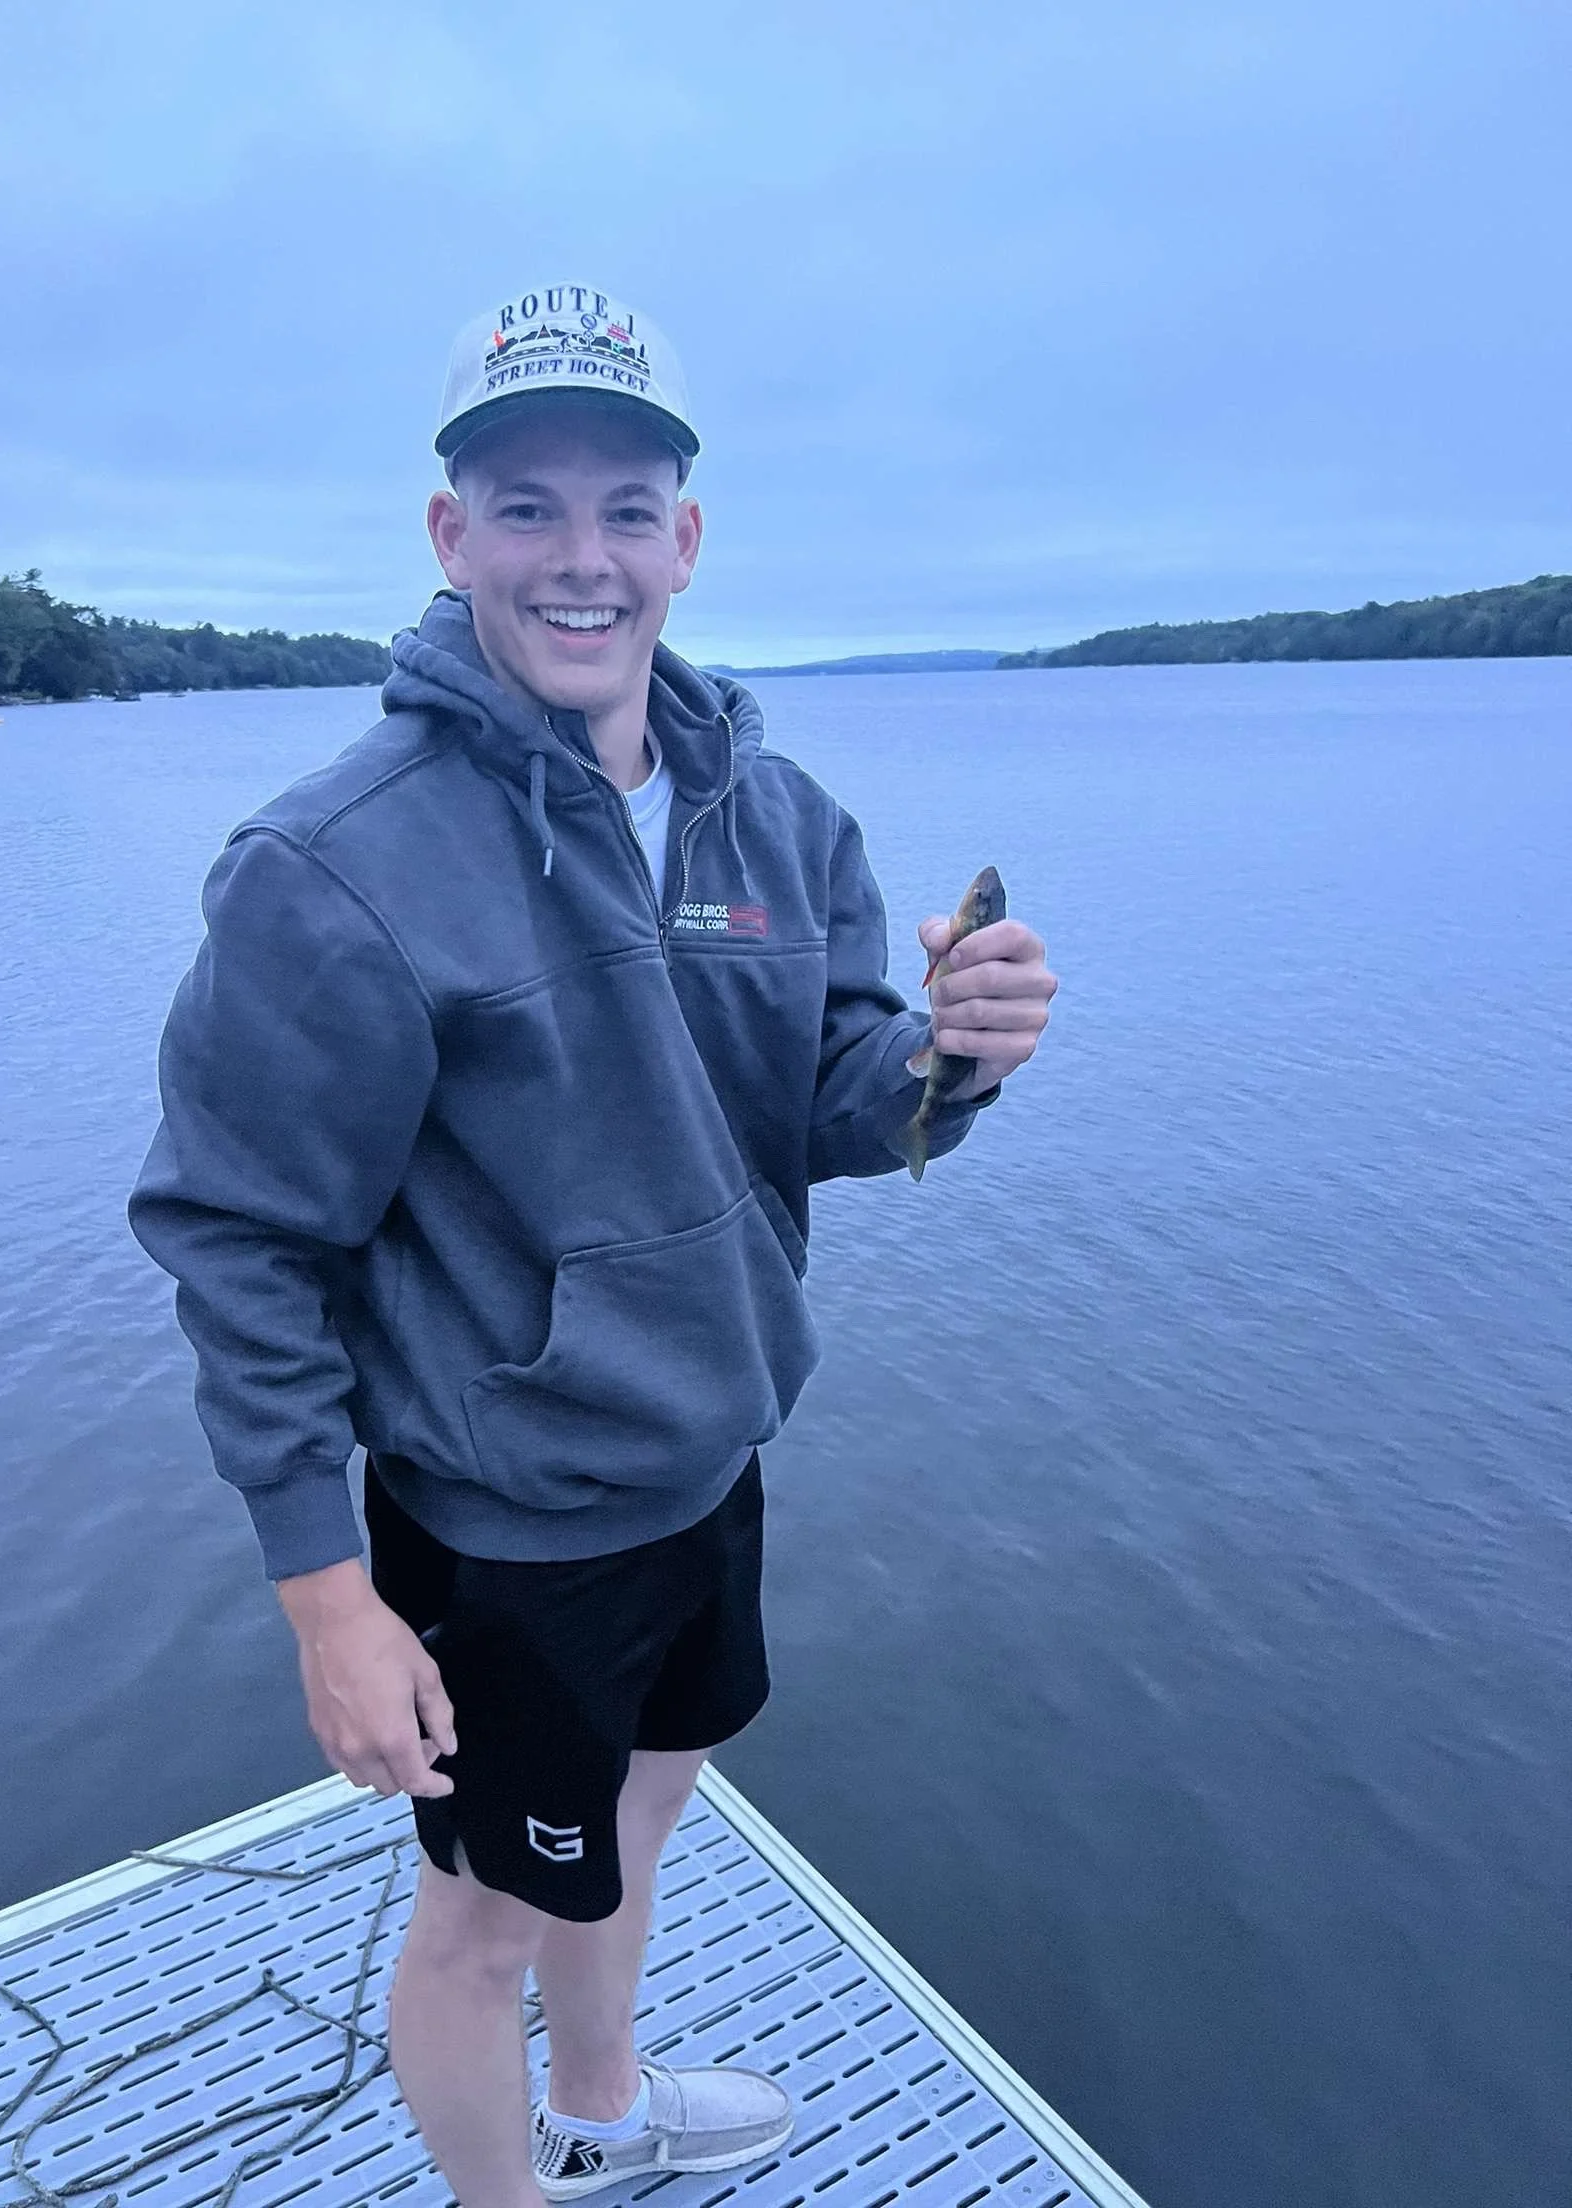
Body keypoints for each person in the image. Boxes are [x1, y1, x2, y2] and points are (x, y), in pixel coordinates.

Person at [129, 281, 1058, 2208]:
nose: (583, 557)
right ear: (450, 532)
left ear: (688, 544)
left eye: (628, 507)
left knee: (643, 1818)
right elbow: (237, 1237)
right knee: (477, 1929)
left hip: (709, 1457)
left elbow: (818, 1084)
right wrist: (328, 1598)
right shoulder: (334, 864)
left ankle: (610, 2107)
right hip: (505, 1522)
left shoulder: (775, 814)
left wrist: (943, 1062)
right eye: (529, 504)